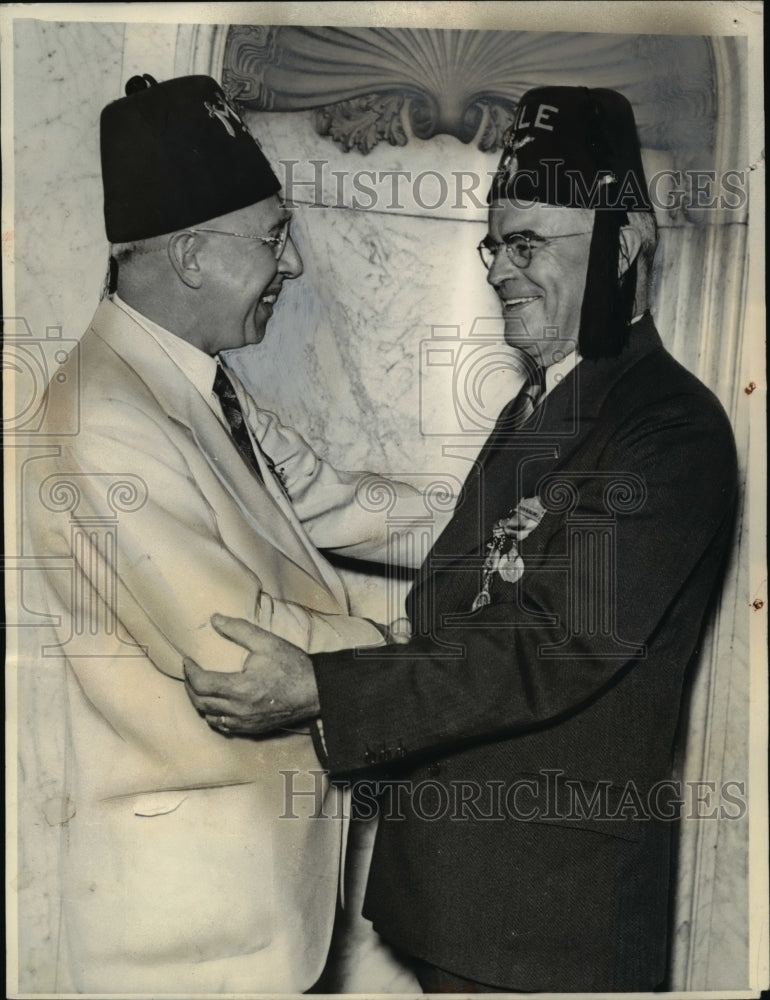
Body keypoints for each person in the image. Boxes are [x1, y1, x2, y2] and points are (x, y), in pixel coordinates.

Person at [185, 86, 739, 992]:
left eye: (527, 244)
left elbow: (547, 647)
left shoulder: (670, 429)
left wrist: (323, 687)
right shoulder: (546, 399)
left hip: (550, 920)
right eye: (495, 244)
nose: (499, 271)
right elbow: (460, 596)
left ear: (623, 246)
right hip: (469, 898)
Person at [23, 73, 429, 993]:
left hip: (244, 913)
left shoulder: (186, 378)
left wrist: (515, 512)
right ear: (193, 255)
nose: (294, 266)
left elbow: (331, 497)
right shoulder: (102, 418)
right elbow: (232, 646)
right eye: (273, 238)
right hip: (185, 932)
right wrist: (412, 654)